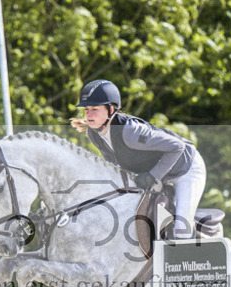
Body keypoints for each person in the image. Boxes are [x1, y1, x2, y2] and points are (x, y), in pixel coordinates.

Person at [70, 79, 206, 239]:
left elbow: (177, 147)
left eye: (94, 109)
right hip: (161, 172)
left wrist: (152, 176)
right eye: (86, 109)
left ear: (111, 109)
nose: (88, 114)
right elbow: (112, 167)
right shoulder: (95, 134)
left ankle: (196, 246)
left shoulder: (130, 131)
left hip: (186, 169)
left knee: (181, 229)